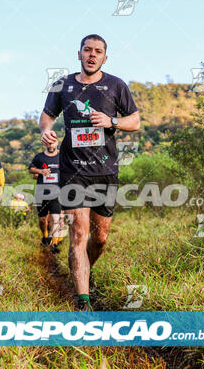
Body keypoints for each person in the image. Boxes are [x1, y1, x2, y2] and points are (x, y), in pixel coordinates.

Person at [39, 34, 140, 310]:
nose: (92, 55)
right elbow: (47, 116)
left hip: (105, 171)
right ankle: (83, 301)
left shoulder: (116, 85)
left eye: (98, 51)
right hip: (73, 171)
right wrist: (47, 132)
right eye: (87, 50)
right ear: (79, 54)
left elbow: (135, 121)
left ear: (104, 58)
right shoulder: (63, 85)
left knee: (101, 237)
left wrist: (112, 121)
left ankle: (85, 269)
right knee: (79, 235)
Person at [28, 140, 63, 254]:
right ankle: (45, 236)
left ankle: (55, 244)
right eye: (48, 143)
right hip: (41, 193)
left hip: (57, 192)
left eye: (53, 143)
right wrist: (41, 171)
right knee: (43, 220)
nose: (50, 145)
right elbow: (31, 169)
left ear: (57, 143)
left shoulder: (62, 156)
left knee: (55, 219)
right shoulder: (39, 157)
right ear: (45, 144)